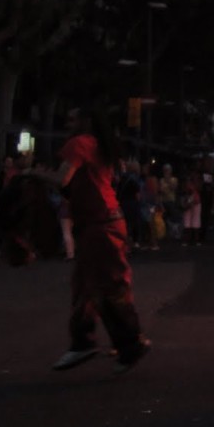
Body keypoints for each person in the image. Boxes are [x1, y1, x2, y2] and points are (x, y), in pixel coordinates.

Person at [49, 107, 150, 374]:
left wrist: (34, 175)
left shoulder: (80, 143)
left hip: (99, 223)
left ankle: (127, 341)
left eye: (72, 118)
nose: (67, 123)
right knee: (89, 285)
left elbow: (62, 179)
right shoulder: (97, 144)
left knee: (107, 286)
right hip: (102, 221)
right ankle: (88, 340)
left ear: (85, 121)